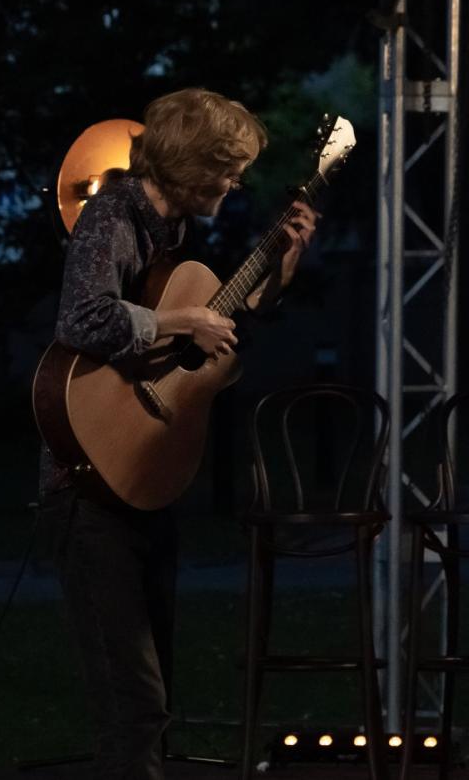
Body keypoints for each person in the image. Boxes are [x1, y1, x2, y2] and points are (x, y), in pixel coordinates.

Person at [38, 88, 318, 779]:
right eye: (228, 170)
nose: (235, 183)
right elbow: (82, 321)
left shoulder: (172, 236)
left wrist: (275, 278)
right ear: (192, 167)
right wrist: (179, 322)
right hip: (89, 486)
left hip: (142, 475)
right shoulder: (111, 216)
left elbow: (207, 339)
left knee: (152, 690)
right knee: (132, 702)